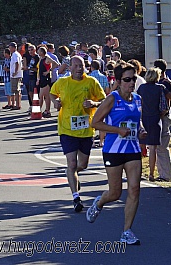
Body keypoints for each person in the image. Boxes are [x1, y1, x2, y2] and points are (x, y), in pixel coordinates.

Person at [86, 62, 147, 245]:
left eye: (133, 79)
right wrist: (117, 130)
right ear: (119, 81)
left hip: (133, 149)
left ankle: (126, 231)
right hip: (113, 150)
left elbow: (137, 122)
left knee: (135, 189)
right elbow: (95, 123)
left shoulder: (137, 99)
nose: (131, 83)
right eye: (127, 80)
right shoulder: (112, 99)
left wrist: (141, 130)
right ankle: (99, 202)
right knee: (115, 193)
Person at [50, 56, 106, 212]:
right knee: (72, 163)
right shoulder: (62, 82)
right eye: (76, 66)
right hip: (66, 129)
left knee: (82, 165)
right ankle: (76, 197)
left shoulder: (91, 82)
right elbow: (52, 93)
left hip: (86, 130)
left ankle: (72, 176)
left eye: (81, 65)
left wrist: (94, 103)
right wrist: (55, 102)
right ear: (70, 67)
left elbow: (104, 100)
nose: (79, 68)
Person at [137, 68, 168, 181]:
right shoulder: (160, 88)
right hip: (155, 118)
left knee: (141, 146)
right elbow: (164, 106)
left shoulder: (141, 88)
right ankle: (151, 173)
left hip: (143, 118)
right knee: (153, 148)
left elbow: (137, 103)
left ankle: (138, 172)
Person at [153, 59, 171, 182]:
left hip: (163, 116)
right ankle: (163, 173)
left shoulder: (164, 83)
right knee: (159, 147)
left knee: (162, 147)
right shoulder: (166, 82)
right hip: (163, 116)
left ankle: (166, 175)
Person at [36, 46, 59, 118]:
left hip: (46, 78)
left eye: (39, 51)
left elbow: (56, 63)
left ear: (42, 52)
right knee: (46, 96)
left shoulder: (47, 58)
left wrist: (49, 71)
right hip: (41, 78)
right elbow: (39, 69)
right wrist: (38, 79)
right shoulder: (41, 59)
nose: (38, 52)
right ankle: (47, 110)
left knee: (41, 95)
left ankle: (39, 110)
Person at [23, 44, 39, 112]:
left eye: (32, 50)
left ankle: (36, 107)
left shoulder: (37, 57)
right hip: (30, 76)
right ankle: (33, 106)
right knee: (30, 92)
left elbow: (38, 69)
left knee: (35, 93)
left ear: (35, 50)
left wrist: (29, 68)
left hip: (35, 76)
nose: (30, 51)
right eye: (29, 50)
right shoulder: (30, 58)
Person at [8, 42, 23, 110]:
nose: (9, 49)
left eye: (10, 47)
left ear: (14, 47)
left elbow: (17, 63)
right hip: (17, 74)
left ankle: (17, 105)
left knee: (16, 90)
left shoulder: (15, 54)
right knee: (17, 90)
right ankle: (18, 104)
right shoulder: (16, 54)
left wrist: (15, 72)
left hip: (16, 75)